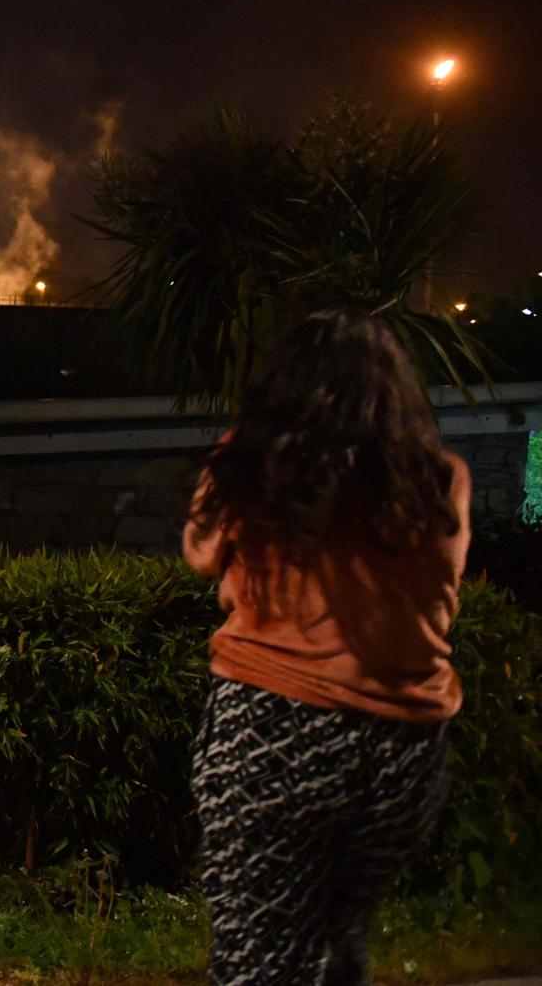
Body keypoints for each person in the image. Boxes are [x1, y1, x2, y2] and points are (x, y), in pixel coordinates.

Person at [184, 310, 472, 986]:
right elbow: (443, 586)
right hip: (405, 747)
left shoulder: (250, 465)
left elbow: (200, 553)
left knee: (259, 956)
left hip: (273, 727)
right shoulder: (438, 477)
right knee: (337, 945)